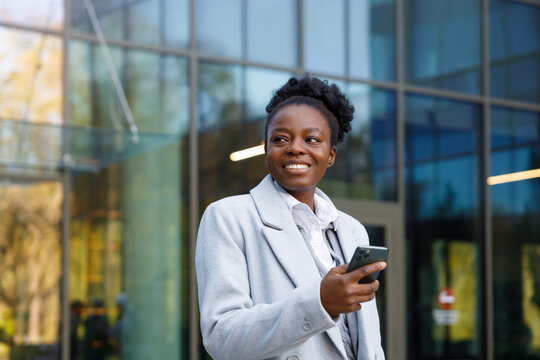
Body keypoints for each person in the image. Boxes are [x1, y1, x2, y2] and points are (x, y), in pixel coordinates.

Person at [196, 75, 386, 360]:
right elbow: (221, 336)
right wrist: (318, 303)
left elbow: (368, 344)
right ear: (266, 149)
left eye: (311, 139)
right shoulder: (229, 218)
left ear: (331, 154)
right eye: (281, 138)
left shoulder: (351, 230)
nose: (296, 148)